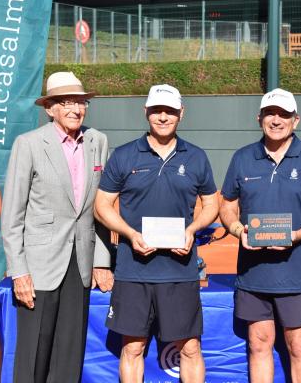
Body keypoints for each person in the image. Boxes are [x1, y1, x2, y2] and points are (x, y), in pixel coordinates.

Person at [94, 84, 219, 383]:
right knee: (133, 347)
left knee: (190, 348)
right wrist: (129, 233)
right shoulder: (124, 156)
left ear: (181, 114)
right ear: (146, 112)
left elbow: (212, 204)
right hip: (133, 271)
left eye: (170, 111)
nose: (163, 117)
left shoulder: (197, 157)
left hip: (180, 271)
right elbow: (102, 206)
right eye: (157, 110)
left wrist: (192, 229)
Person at [219, 88, 301, 383]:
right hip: (254, 274)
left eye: (284, 114)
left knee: (298, 347)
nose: (276, 120)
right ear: (259, 118)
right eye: (270, 113)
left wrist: (297, 235)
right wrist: (237, 230)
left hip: (297, 274)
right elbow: (227, 205)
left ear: (295, 120)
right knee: (259, 343)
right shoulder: (242, 158)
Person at [1, 71, 113, 383]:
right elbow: (12, 215)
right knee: (33, 356)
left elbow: (100, 210)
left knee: (69, 355)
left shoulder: (98, 141)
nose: (76, 109)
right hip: (38, 268)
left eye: (80, 102)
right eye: (66, 103)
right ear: (50, 109)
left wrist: (102, 261)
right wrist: (18, 271)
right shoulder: (29, 144)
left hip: (81, 264)